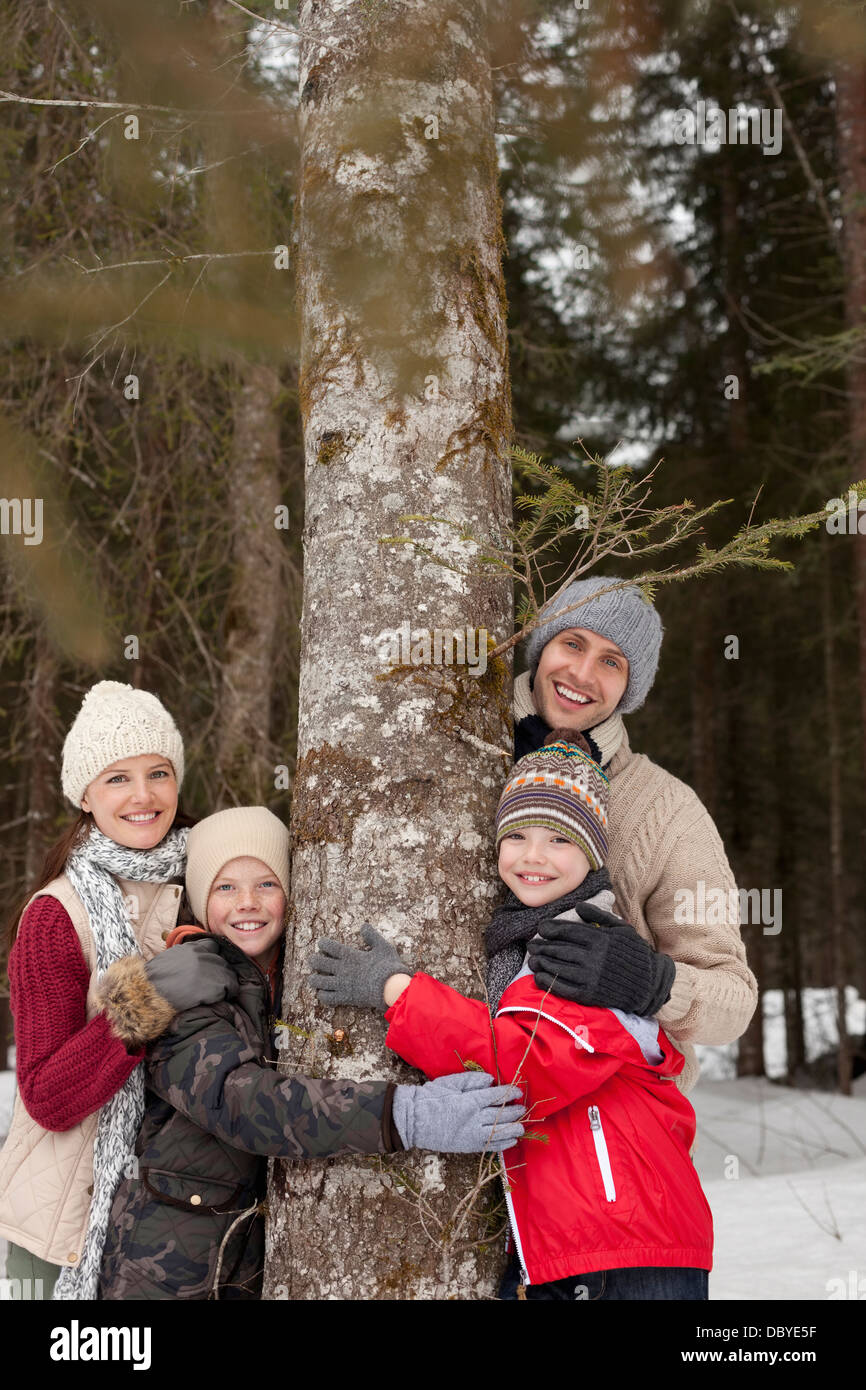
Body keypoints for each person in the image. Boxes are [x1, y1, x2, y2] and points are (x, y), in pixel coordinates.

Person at [310, 729, 714, 1299]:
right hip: (574, 1239)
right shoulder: (521, 944)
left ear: (594, 854)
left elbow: (523, 1069)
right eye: (517, 835)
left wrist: (397, 989)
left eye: (558, 840)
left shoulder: (589, 950)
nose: (532, 856)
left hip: (626, 1243)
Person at [99, 807, 525, 1300]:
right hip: (162, 1270)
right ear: (199, 898)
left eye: (266, 884)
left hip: (240, 1265)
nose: (247, 904)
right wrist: (408, 1114)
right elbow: (246, 1104)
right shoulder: (183, 990)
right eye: (224, 888)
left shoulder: (276, 985)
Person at [0, 681, 238, 1300]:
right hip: (63, 1225)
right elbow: (47, 1097)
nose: (143, 795)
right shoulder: (55, 916)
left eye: (158, 772)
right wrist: (147, 996)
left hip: (175, 1213)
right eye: (117, 778)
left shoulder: (212, 879)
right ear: (84, 792)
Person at [517, 578, 757, 1093]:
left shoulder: (670, 810)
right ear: (542, 649)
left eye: (612, 662)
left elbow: (734, 1002)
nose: (582, 674)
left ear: (631, 686)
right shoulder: (447, 746)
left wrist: (652, 982)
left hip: (606, 1128)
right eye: (572, 643)